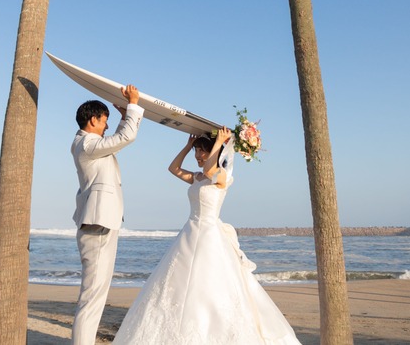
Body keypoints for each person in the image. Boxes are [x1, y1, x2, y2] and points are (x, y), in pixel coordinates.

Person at [112, 128, 302, 345]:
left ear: (215, 152)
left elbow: (212, 168)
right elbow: (173, 168)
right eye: (197, 152)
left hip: (210, 235)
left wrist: (220, 141)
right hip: (189, 232)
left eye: (202, 151)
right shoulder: (197, 177)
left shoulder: (222, 175)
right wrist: (187, 146)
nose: (198, 156)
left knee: (210, 283)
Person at [71, 84, 144, 345]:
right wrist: (134, 105)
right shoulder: (87, 144)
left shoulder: (88, 143)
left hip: (100, 223)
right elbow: (124, 139)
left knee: (94, 297)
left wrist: (125, 118)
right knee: (91, 299)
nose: (106, 126)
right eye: (104, 121)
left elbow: (113, 142)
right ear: (93, 120)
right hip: (98, 225)